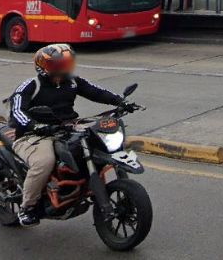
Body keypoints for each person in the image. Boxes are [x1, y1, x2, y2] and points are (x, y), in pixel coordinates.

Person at [8, 44, 133, 227]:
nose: (62, 68)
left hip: (67, 128)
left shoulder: (73, 82)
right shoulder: (30, 86)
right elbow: (17, 111)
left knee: (98, 143)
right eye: (56, 64)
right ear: (42, 66)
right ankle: (28, 207)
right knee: (44, 162)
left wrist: (120, 101)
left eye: (66, 63)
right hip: (33, 135)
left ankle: (81, 184)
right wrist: (36, 125)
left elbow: (96, 91)